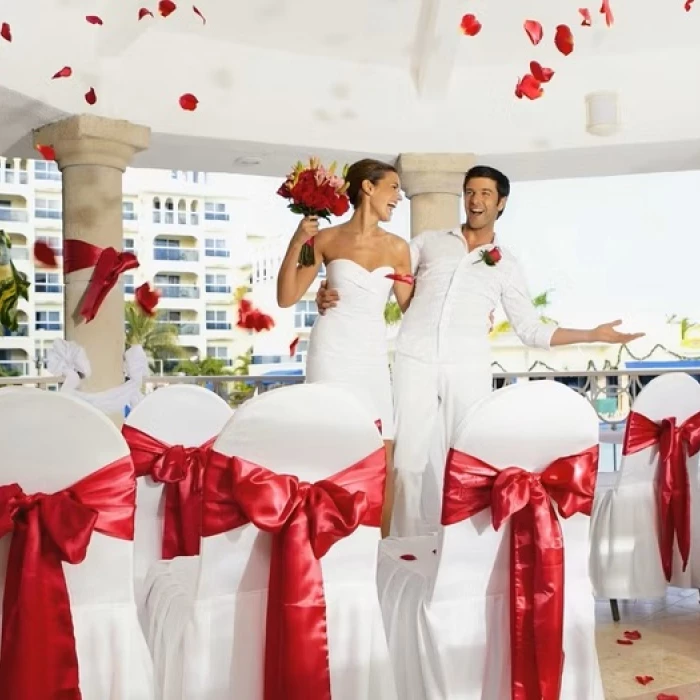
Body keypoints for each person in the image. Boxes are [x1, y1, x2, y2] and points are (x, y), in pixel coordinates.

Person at [316, 164, 645, 536]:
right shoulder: (426, 242)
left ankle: (456, 544)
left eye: (485, 194)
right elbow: (375, 266)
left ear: (501, 203)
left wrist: (594, 332)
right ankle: (401, 545)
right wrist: (325, 292)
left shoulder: (507, 265)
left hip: (468, 366)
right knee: (407, 460)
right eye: (470, 192)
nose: (475, 200)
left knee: (465, 458)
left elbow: (531, 330)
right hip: (414, 358)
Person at [276, 158, 413, 536]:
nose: (399, 197)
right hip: (331, 352)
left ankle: (378, 548)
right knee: (326, 441)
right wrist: (298, 239)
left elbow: (413, 311)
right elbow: (287, 296)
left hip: (370, 357)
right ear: (368, 188)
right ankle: (320, 537)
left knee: (383, 452)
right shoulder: (327, 239)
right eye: (394, 187)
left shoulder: (400, 248)